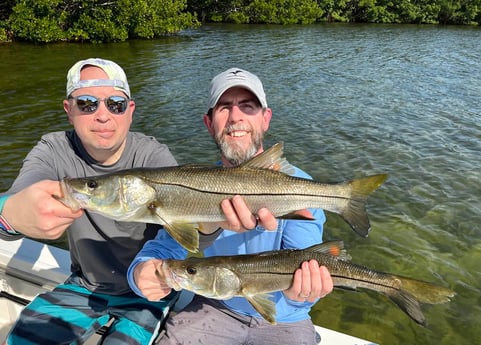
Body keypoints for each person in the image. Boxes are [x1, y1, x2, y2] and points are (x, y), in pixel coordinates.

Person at [0, 58, 248, 345]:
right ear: (69, 110)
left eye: (115, 104)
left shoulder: (154, 157)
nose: (103, 116)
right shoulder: (53, 150)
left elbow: (182, 236)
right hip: (83, 286)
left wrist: (208, 227)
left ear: (130, 111)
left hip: (148, 291)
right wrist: (13, 213)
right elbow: (15, 201)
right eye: (87, 104)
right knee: (23, 340)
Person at [127, 68, 334, 345]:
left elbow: (308, 261)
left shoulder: (299, 187)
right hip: (215, 307)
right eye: (224, 107)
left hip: (286, 318)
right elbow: (163, 249)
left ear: (266, 119)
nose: (236, 117)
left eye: (247, 106)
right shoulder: (190, 185)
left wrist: (304, 292)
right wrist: (139, 273)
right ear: (208, 122)